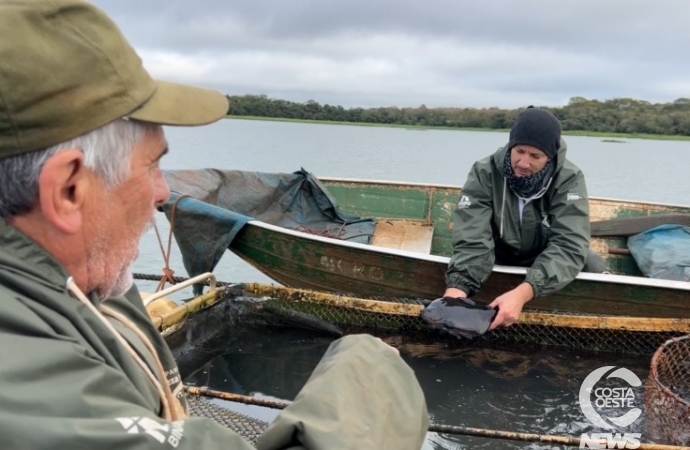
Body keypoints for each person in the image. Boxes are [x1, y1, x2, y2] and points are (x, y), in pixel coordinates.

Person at [0, 1, 429, 449]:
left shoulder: (84, 273)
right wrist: (368, 369)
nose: (162, 192)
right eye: (151, 166)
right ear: (69, 190)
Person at [443, 107, 605, 330]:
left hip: (541, 253)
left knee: (593, 263)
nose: (523, 163)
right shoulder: (485, 172)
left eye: (535, 156)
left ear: (550, 157)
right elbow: (473, 236)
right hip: (495, 249)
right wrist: (457, 290)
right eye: (519, 151)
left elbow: (569, 244)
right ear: (511, 146)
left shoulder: (569, 178)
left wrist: (523, 293)